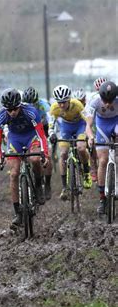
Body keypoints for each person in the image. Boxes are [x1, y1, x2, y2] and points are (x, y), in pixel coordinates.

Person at [0, 88, 49, 229]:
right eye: (9, 110)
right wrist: (0, 157)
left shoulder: (31, 111)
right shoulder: (0, 116)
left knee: (36, 159)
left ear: (20, 105)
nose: (12, 112)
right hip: (15, 140)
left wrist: (45, 153)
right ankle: (17, 212)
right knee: (13, 174)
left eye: (15, 109)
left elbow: (42, 136)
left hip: (31, 137)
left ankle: (38, 186)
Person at [48, 85, 92, 201]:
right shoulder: (54, 108)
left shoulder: (77, 104)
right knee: (63, 154)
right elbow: (51, 124)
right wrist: (52, 133)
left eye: (64, 102)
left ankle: (87, 172)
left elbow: (87, 119)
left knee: (81, 148)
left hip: (79, 126)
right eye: (60, 102)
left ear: (69, 99)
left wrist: (89, 132)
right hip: (65, 128)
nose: (62, 105)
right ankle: (64, 187)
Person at [85, 81, 118, 214]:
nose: (108, 104)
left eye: (111, 100)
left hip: (116, 122)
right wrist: (91, 137)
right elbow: (88, 125)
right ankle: (102, 199)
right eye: (105, 100)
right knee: (103, 161)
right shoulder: (94, 101)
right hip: (102, 126)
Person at [22, 87, 53, 199]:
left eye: (33, 104)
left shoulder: (44, 105)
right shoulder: (22, 107)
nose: (31, 106)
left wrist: (51, 132)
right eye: (28, 104)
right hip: (30, 129)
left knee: (47, 154)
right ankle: (36, 179)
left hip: (44, 128)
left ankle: (48, 184)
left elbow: (51, 119)